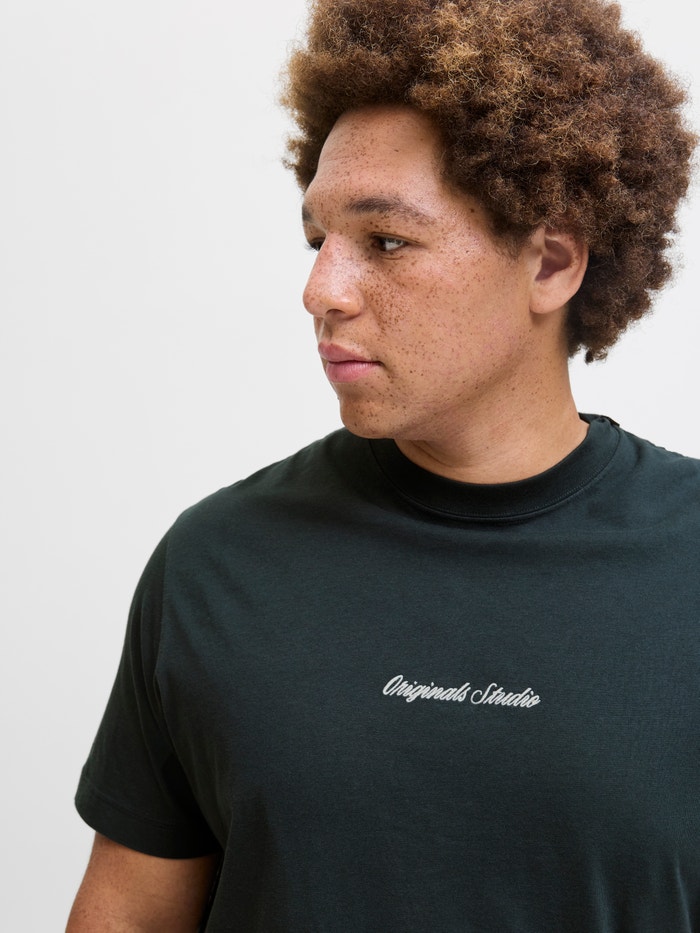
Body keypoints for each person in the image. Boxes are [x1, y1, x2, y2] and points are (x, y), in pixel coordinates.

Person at [67, 0, 699, 930]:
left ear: (552, 263)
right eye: (317, 239)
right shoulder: (216, 565)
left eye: (386, 241)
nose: (320, 289)